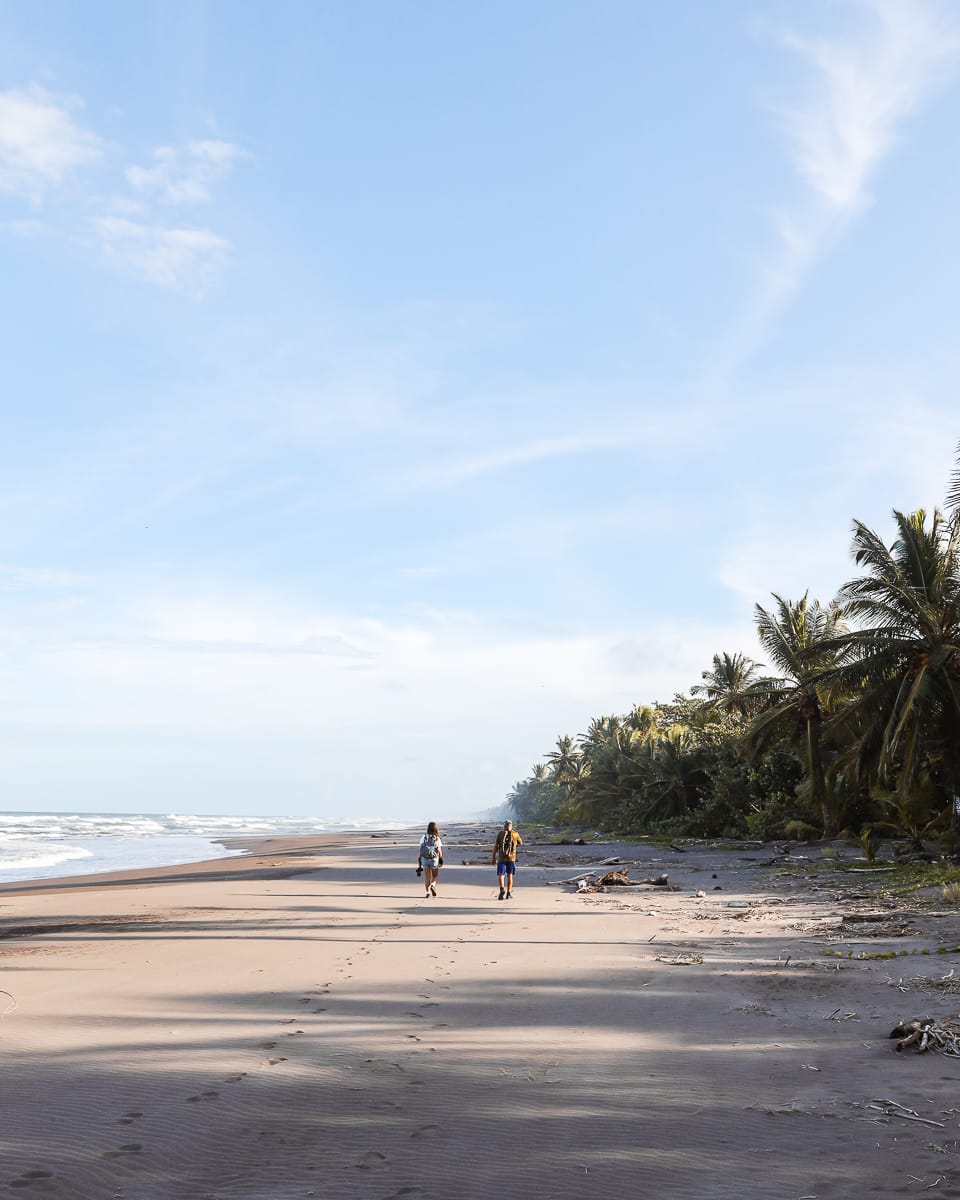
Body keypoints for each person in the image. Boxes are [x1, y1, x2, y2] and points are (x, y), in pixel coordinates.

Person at [491, 819, 522, 900]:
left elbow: (495, 847)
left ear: (504, 826)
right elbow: (521, 842)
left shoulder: (500, 834)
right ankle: (508, 893)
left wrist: (493, 857)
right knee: (510, 876)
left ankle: (502, 889)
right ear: (511, 826)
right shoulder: (515, 834)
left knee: (501, 875)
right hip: (511, 858)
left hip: (501, 857)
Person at [418, 821, 443, 898]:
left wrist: (419, 859)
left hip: (425, 858)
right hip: (434, 859)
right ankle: (433, 885)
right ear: (436, 829)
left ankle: (428, 892)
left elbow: (421, 849)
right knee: (435, 876)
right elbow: (439, 850)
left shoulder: (424, 837)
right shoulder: (437, 838)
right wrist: (441, 859)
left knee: (427, 877)